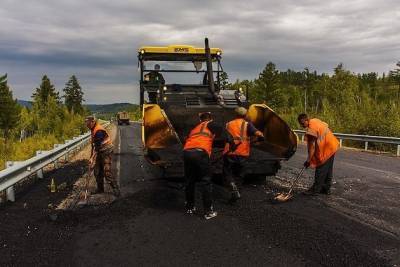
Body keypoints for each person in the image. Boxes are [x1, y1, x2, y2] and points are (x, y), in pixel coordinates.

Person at [183, 112, 221, 220]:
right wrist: (231, 142)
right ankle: (208, 212)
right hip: (200, 153)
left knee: (189, 181)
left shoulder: (195, 129)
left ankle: (190, 207)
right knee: (206, 181)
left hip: (187, 152)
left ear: (200, 120)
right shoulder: (210, 124)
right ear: (210, 119)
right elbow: (223, 132)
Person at [223, 107, 264, 202]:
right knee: (240, 174)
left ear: (235, 114)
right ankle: (237, 193)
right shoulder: (247, 124)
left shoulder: (228, 124)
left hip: (229, 152)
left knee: (227, 172)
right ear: (245, 115)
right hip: (242, 153)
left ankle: (232, 185)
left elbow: (226, 137)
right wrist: (261, 137)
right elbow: (258, 134)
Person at [297, 113, 339, 195]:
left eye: (302, 123)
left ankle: (315, 190)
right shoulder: (315, 120)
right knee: (328, 170)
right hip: (332, 146)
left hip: (326, 149)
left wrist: (308, 160)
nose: (302, 125)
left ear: (306, 120)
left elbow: (312, 147)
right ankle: (326, 189)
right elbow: (326, 124)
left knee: (321, 169)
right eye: (300, 124)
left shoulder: (311, 129)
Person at [85, 116, 120, 197]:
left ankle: (115, 189)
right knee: (97, 171)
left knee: (106, 170)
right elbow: (94, 146)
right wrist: (91, 157)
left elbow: (97, 146)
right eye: (86, 123)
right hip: (100, 150)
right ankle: (100, 189)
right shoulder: (92, 129)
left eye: (88, 123)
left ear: (92, 122)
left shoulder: (99, 130)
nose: (87, 125)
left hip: (107, 151)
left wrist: (92, 158)